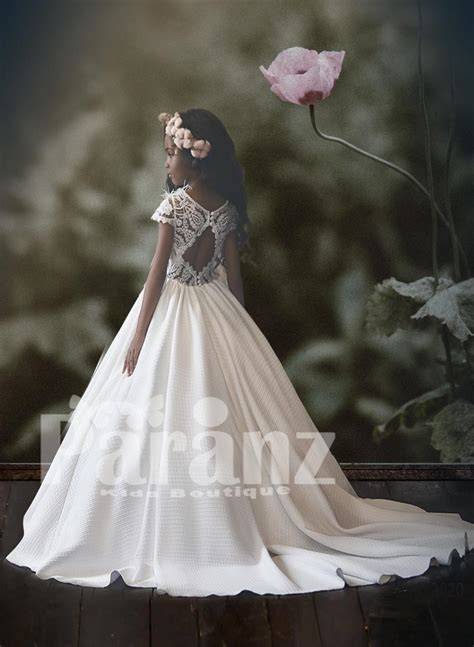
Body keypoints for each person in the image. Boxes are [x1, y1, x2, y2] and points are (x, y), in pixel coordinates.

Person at [5, 108, 474, 597]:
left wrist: (140, 336)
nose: (166, 165)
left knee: (164, 414)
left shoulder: (174, 207)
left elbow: (156, 275)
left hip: (171, 311)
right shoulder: (225, 207)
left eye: (170, 155)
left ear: (193, 159)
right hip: (217, 309)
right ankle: (230, 510)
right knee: (227, 414)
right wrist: (241, 331)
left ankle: (174, 523)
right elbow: (234, 278)